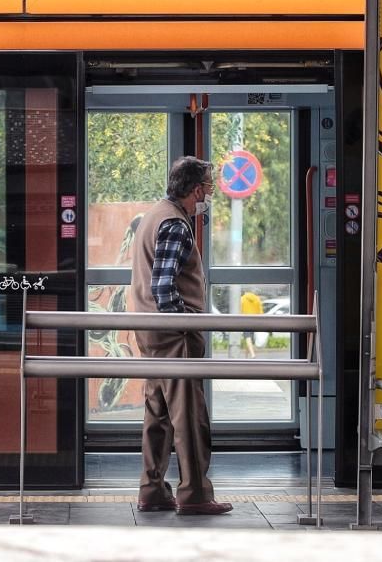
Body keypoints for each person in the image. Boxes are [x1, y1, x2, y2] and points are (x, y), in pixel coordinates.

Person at [129, 156, 233, 516]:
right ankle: (195, 494)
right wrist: (185, 323)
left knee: (156, 414)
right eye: (207, 187)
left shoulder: (153, 215)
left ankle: (153, 488)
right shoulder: (174, 223)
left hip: (149, 331)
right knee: (188, 416)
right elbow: (163, 286)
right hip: (173, 336)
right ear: (195, 189)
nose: (208, 195)